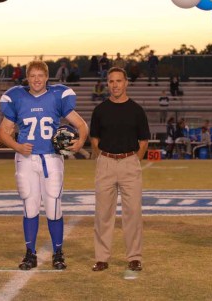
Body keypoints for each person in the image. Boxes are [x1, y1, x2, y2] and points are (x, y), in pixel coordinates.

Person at [0, 60, 88, 271]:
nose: (36, 79)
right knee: (29, 206)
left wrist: (80, 141)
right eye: (33, 76)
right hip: (26, 159)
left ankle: (58, 253)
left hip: (51, 158)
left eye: (40, 75)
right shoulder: (17, 97)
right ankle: (30, 253)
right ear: (27, 78)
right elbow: (3, 132)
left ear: (47, 77)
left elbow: (81, 124)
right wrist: (17, 146)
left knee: (53, 206)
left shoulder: (57, 96)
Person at [89, 67, 150, 272]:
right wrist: (103, 158)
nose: (115, 85)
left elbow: (143, 141)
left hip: (129, 163)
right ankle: (102, 258)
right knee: (103, 214)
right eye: (111, 81)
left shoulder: (137, 110)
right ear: (108, 84)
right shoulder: (100, 110)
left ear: (126, 83)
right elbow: (94, 138)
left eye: (119, 81)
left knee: (132, 213)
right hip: (105, 162)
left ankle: (134, 257)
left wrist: (132, 161)